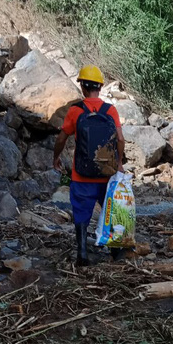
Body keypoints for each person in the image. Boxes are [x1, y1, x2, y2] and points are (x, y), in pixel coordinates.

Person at [52, 65, 125, 266]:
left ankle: (82, 252)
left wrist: (56, 157)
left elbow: (61, 138)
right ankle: (116, 251)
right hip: (106, 174)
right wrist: (118, 162)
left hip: (82, 174)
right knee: (111, 209)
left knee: (82, 212)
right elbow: (120, 138)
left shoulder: (76, 111)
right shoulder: (110, 110)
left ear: (83, 87)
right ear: (100, 87)